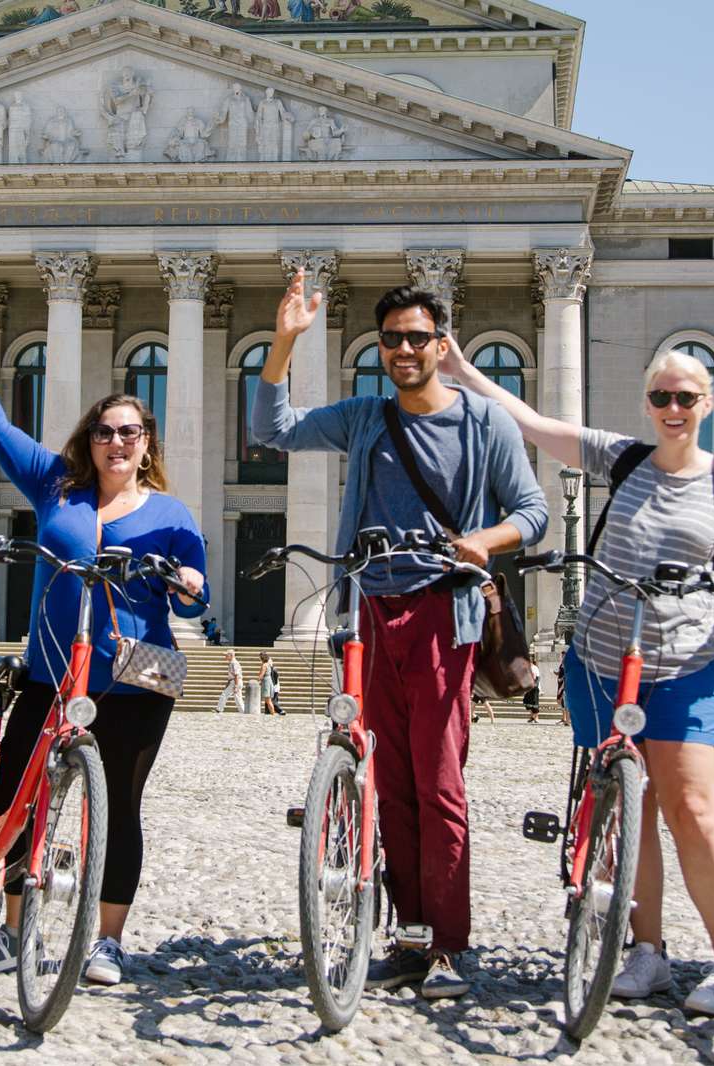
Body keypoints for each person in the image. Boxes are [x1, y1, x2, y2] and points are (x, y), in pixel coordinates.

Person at [447, 332, 714, 1017]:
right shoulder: (621, 457)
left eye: (686, 396)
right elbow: (532, 424)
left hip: (683, 662)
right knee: (630, 811)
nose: (673, 407)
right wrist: (459, 369)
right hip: (601, 661)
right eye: (661, 396)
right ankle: (647, 952)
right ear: (647, 404)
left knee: (691, 807)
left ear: (706, 402)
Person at [252, 274, 546, 999]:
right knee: (391, 786)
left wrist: (487, 539)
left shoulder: (483, 422)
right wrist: (285, 339)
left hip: (447, 615)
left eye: (419, 337)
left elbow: (534, 510)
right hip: (373, 617)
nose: (406, 349)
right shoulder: (365, 417)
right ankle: (410, 936)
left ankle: (448, 944)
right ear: (381, 349)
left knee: (439, 782)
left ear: (441, 345)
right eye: (393, 340)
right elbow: (274, 430)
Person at [0, 315, 207, 988]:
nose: (116, 442)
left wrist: (191, 586)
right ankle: (14, 930)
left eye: (129, 433)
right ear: (89, 440)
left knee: (119, 809)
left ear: (147, 445)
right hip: (51, 672)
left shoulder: (172, 516)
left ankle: (107, 942)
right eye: (105, 431)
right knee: (23, 798)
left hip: (136, 680)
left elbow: (195, 601)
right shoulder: (56, 486)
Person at [220, 650, 249, 715]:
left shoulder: (234, 663)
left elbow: (236, 675)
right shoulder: (232, 663)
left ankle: (219, 709)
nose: (225, 656)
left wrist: (235, 685)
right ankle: (243, 711)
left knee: (224, 695)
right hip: (235, 681)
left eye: (226, 655)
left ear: (231, 655)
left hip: (235, 681)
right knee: (238, 698)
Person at [525, 656, 542, 723]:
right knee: (528, 702)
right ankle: (532, 716)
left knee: (535, 703)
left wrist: (534, 686)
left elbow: (537, 678)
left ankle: (536, 717)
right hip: (528, 687)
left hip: (535, 688)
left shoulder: (535, 668)